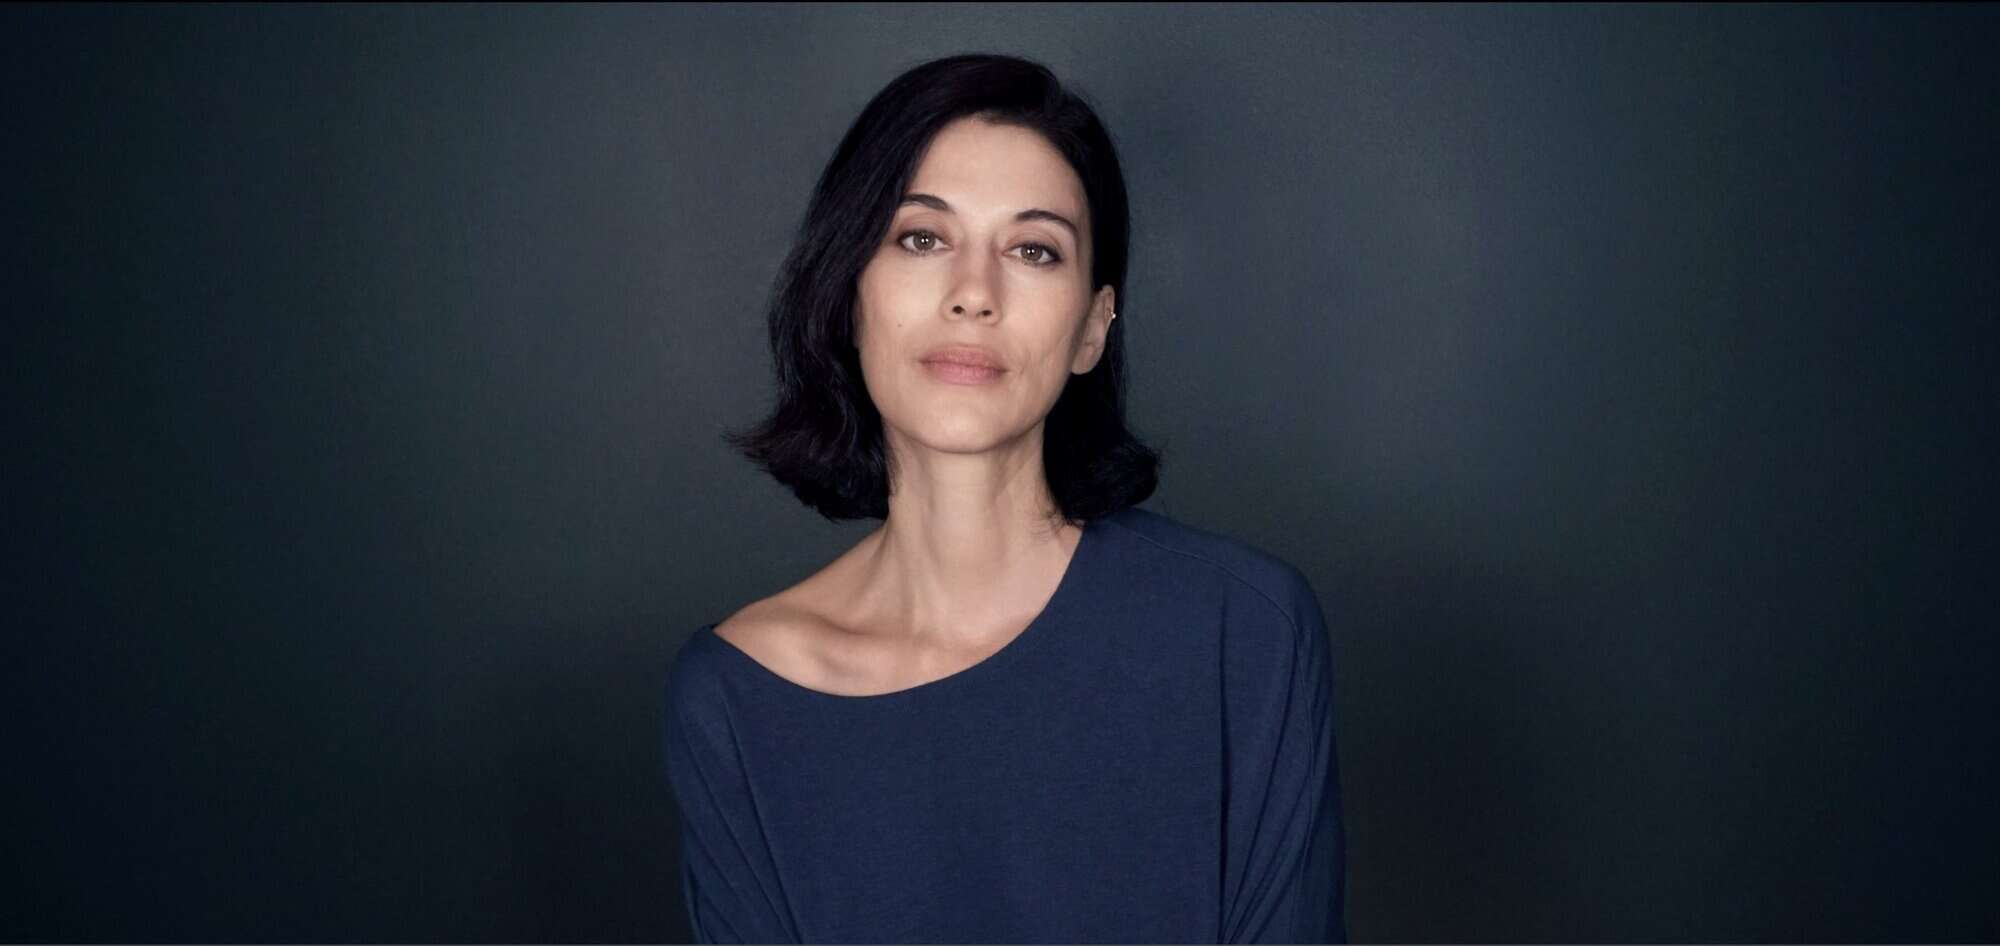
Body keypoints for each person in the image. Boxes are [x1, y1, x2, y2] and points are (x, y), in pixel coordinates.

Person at [660, 52, 1345, 944]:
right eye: (922, 239)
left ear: (1092, 328)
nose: (973, 296)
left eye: (1033, 250)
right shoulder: (735, 697)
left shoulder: (1244, 629)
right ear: (847, 293)